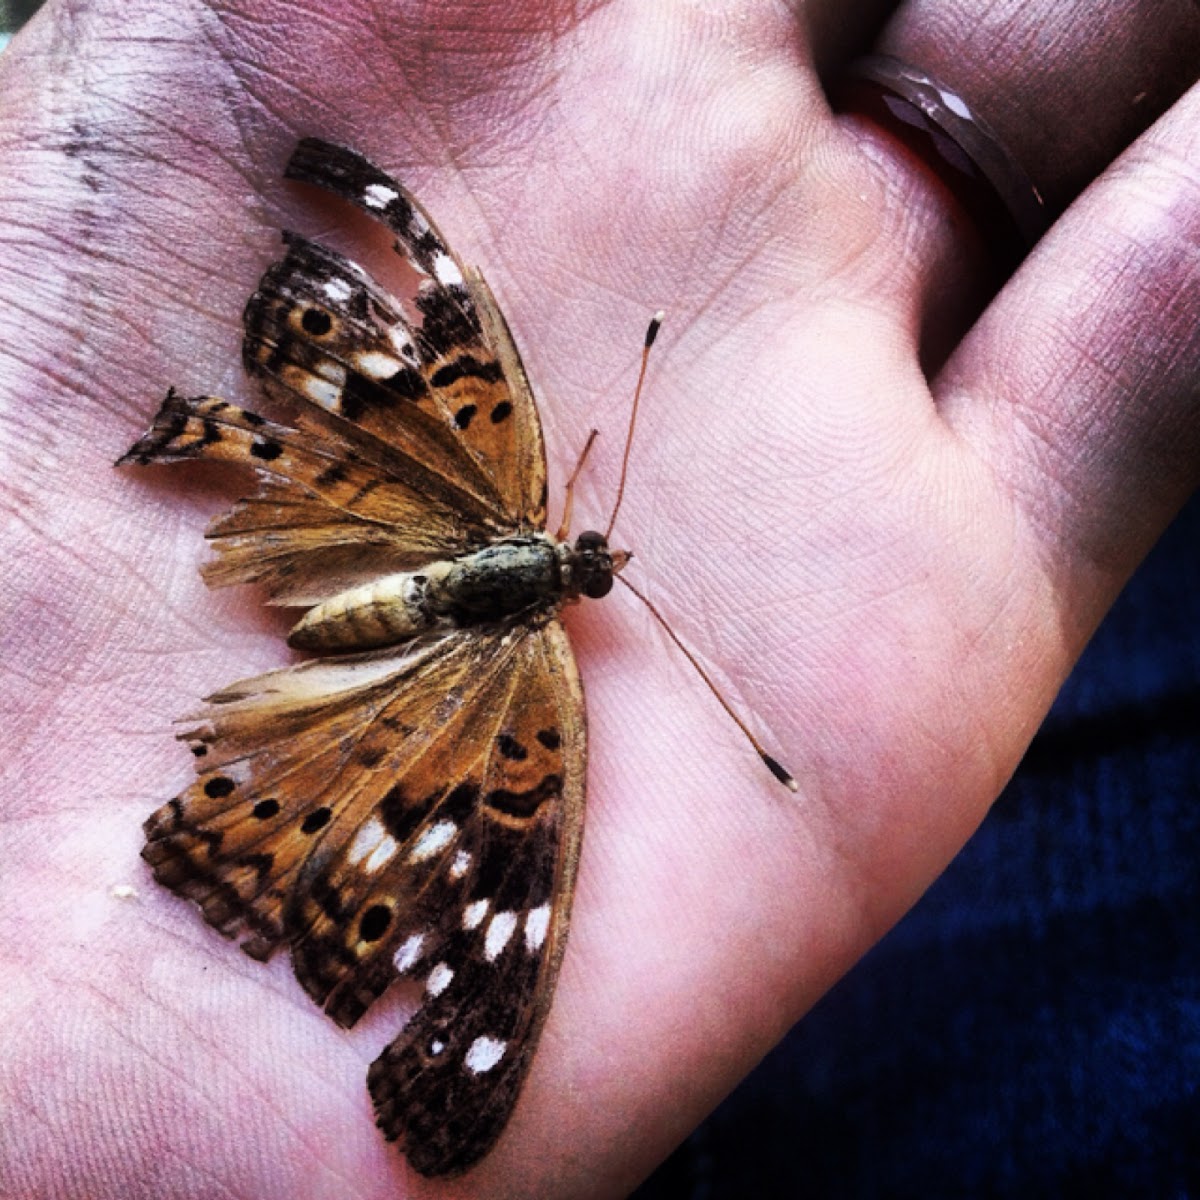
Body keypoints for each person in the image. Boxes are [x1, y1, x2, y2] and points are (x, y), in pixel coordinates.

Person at [0, 1, 1196, 1195]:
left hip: (376, 524)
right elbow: (410, 251)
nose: (593, 561)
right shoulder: (537, 721)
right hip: (387, 668)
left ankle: (257, 794)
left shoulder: (506, 475)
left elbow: (427, 277)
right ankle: (254, 824)